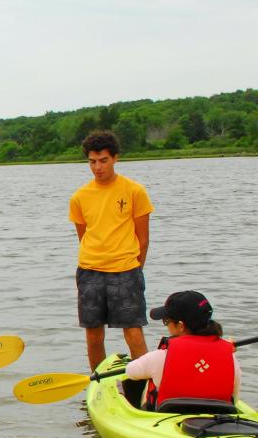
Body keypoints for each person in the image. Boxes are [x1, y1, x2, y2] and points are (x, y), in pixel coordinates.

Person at [70, 130, 153, 372]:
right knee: (94, 336)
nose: (98, 167)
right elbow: (84, 235)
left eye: (103, 160)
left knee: (134, 333)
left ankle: (147, 383)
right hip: (90, 271)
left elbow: (143, 239)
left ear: (115, 158)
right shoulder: (79, 197)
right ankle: (100, 383)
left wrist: (135, 268)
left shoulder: (134, 191)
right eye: (92, 162)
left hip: (126, 270)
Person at [125, 291, 241, 411]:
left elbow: (130, 372)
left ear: (181, 325)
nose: (166, 325)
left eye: (166, 321)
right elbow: (235, 399)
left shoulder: (161, 356)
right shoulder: (231, 358)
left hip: (165, 419)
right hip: (217, 421)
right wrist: (223, 350)